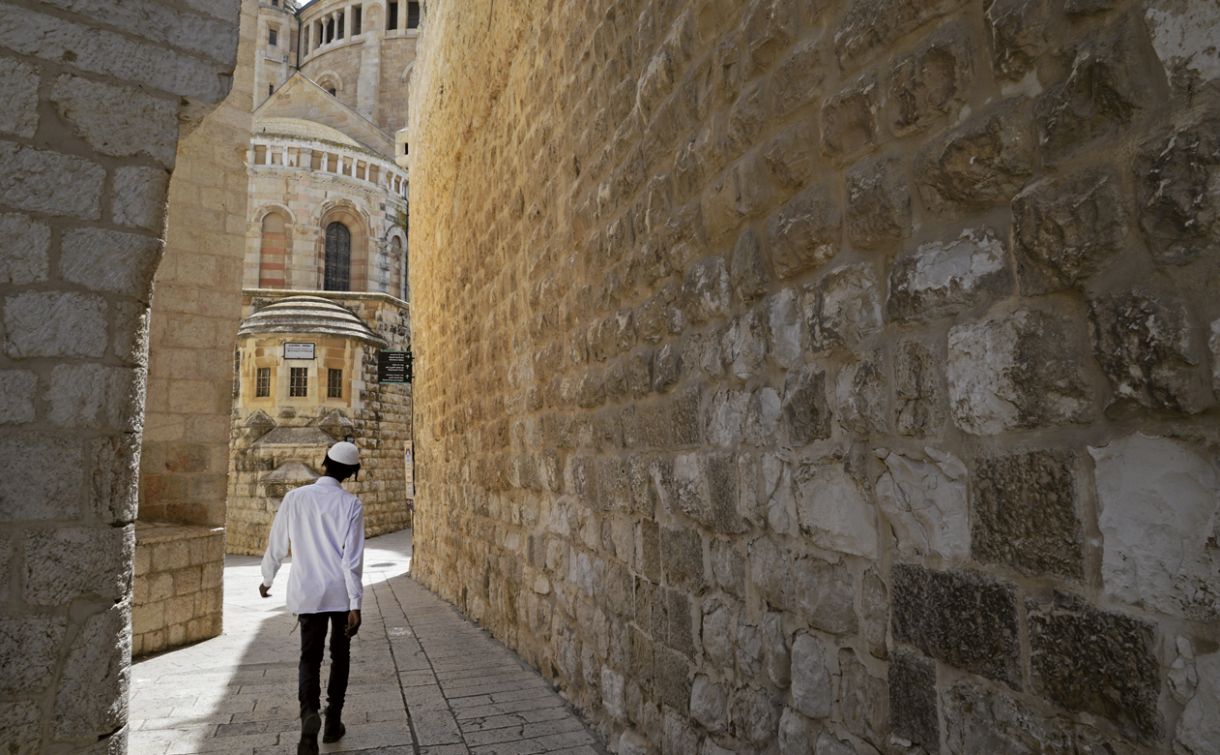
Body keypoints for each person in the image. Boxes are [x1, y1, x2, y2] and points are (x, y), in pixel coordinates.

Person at [259, 441, 366, 755]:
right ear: (351, 473)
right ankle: (333, 721)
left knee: (310, 657)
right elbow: (352, 560)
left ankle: (309, 715)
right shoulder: (351, 505)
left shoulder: (295, 498)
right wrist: (355, 604)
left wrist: (267, 579)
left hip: (308, 593)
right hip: (340, 594)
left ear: (324, 463)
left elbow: (278, 542)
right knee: (340, 656)